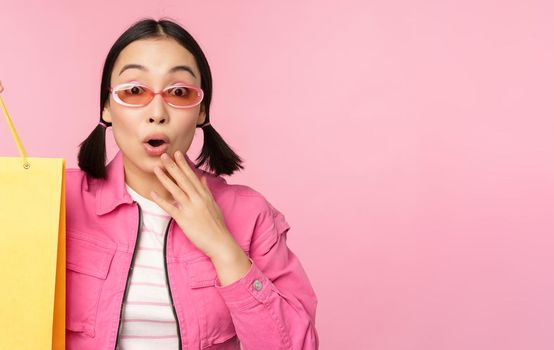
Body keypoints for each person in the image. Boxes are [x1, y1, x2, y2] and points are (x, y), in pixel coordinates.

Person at [0, 18, 318, 349]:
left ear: (201, 111)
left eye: (179, 92)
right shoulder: (53, 199)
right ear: (107, 107)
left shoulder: (250, 215)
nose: (157, 112)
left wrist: (223, 248)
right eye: (134, 91)